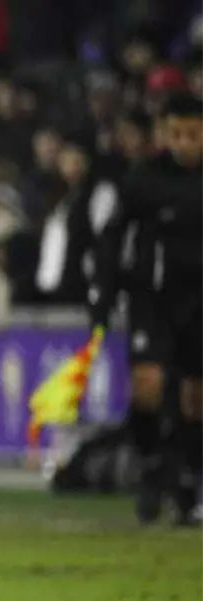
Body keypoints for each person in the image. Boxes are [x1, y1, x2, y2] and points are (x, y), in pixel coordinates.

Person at [89, 93, 203, 526]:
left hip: (199, 304)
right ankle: (152, 466)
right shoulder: (144, 180)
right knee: (148, 386)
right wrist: (102, 292)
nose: (184, 143)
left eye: (192, 135)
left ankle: (190, 481)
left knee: (196, 400)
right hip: (153, 301)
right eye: (176, 134)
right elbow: (111, 237)